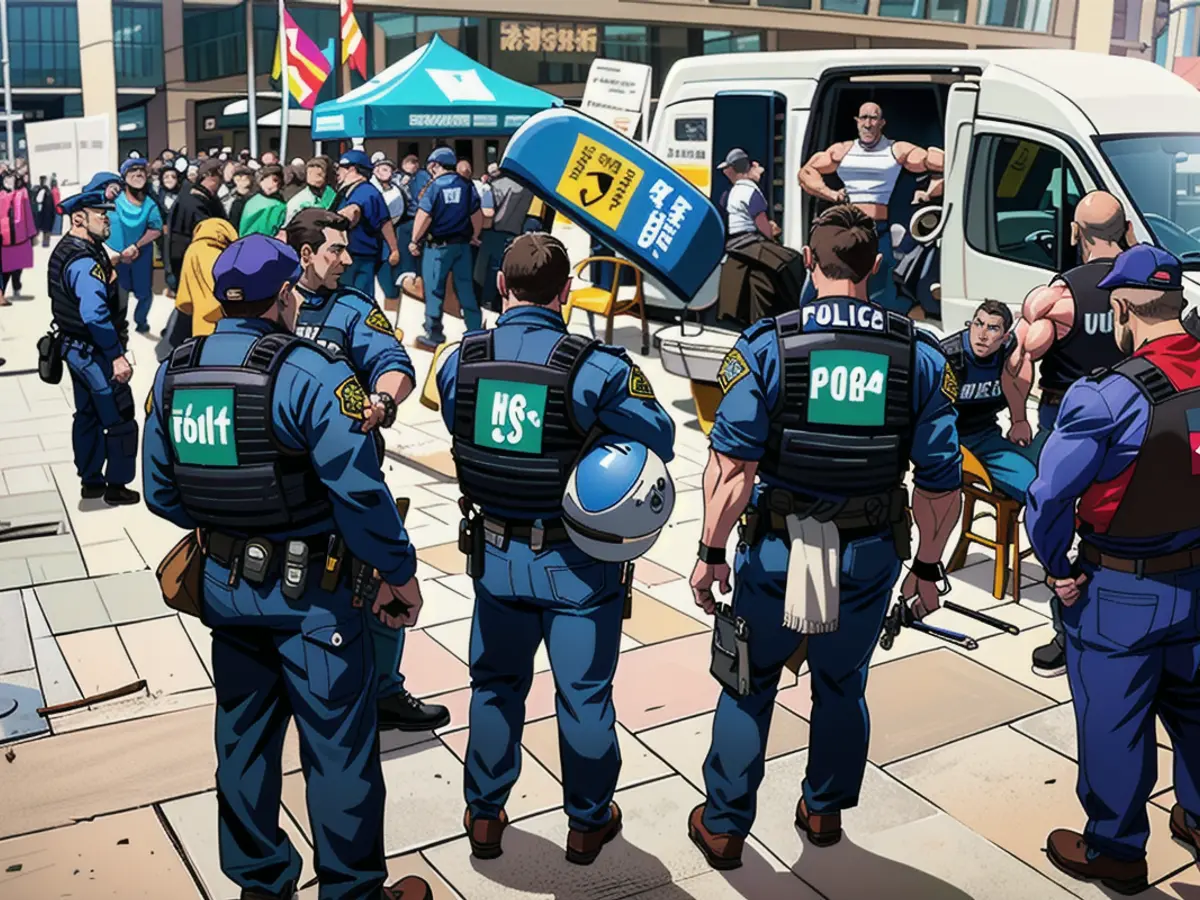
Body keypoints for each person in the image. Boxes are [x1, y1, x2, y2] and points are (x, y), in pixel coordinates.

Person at [141, 234, 432, 900]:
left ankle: (260, 884)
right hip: (315, 598)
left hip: (224, 589)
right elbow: (360, 493)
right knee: (338, 749)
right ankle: (352, 891)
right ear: (283, 298)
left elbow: (160, 493)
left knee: (243, 740)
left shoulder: (175, 370)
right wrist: (399, 572)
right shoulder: (313, 372)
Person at [686, 204, 962, 869]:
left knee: (750, 683)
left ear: (810, 263)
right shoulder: (919, 352)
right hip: (869, 548)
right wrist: (927, 569)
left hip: (788, 545)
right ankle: (824, 809)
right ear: (875, 266)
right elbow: (939, 485)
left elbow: (731, 467)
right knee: (842, 682)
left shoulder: (767, 344)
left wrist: (711, 553)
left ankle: (723, 825)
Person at [436, 232, 676, 864]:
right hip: (576, 562)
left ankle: (485, 815)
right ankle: (587, 822)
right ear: (566, 292)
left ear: (500, 288)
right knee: (584, 695)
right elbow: (662, 434)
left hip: (495, 558)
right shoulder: (593, 366)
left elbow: (458, 423)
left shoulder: (461, 358)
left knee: (494, 687)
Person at [1027, 244, 1200, 897]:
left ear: (1123, 310)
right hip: (1199, 580)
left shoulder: (1104, 396)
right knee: (1196, 709)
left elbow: (1048, 500)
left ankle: (1117, 850)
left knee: (1114, 721)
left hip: (1120, 588)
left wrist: (1055, 566)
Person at [285, 208, 450, 733]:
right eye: (336, 249)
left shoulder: (353, 307)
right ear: (306, 254)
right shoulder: (273, 299)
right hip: (284, 483)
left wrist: (381, 399)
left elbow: (395, 363)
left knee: (378, 573)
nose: (347, 258)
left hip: (348, 476)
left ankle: (384, 693)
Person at [1005, 190, 1133, 678]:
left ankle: (1067, 631)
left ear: (1076, 233)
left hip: (1069, 420)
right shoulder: (1146, 281)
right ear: (1124, 230)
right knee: (1123, 518)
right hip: (1136, 416)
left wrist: (1018, 416)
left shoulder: (1059, 296)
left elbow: (1020, 361)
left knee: (1057, 515)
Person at [798, 102, 944, 314]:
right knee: (824, 280)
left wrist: (929, 192)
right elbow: (805, 173)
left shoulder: (897, 150)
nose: (868, 123)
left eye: (873, 118)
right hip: (844, 228)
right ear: (857, 122)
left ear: (882, 123)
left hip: (877, 230)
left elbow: (943, 163)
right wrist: (831, 194)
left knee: (880, 289)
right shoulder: (842, 151)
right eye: (863, 118)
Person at [49, 188, 140, 507]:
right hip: (96, 352)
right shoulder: (84, 262)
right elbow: (94, 313)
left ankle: (90, 481)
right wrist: (116, 356)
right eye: (100, 214)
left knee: (86, 414)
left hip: (75, 349)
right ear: (78, 218)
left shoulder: (73, 249)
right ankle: (116, 484)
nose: (107, 218)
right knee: (120, 417)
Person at [940, 300, 1036, 504]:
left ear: (1004, 337)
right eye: (978, 324)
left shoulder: (1009, 354)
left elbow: (1030, 326)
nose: (982, 335)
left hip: (986, 437)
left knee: (1035, 485)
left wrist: (1019, 420)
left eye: (992, 328)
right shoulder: (948, 355)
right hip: (949, 441)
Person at [411, 147, 483, 351]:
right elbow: (476, 214)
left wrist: (414, 240)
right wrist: (475, 236)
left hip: (437, 248)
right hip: (462, 247)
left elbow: (424, 216)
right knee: (466, 288)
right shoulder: (467, 185)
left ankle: (434, 334)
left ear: (435, 165)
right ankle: (474, 331)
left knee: (434, 290)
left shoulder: (433, 187)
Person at [107, 158, 164, 334]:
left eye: (141, 170)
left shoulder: (150, 204)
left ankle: (141, 321)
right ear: (124, 177)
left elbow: (156, 229)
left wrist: (136, 246)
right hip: (117, 256)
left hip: (141, 253)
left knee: (144, 293)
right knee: (119, 294)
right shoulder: (114, 200)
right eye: (133, 170)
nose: (138, 173)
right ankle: (117, 326)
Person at [333, 149, 399, 296]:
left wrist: (394, 250)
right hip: (348, 255)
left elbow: (382, 222)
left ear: (352, 169)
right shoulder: (348, 190)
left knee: (357, 298)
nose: (337, 172)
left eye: (340, 168)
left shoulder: (366, 191)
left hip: (359, 256)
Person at [473, 165, 533, 313]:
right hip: (514, 232)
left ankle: (486, 302)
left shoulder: (497, 185)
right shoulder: (527, 187)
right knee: (505, 270)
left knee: (488, 270)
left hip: (494, 232)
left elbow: (488, 212)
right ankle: (501, 302)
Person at [165, 157, 226, 293]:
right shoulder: (194, 201)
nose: (221, 183)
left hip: (191, 263)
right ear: (210, 175)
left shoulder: (206, 198)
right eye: (220, 177)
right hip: (192, 264)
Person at [175, 217, 239, 338]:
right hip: (223, 323)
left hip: (199, 322)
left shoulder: (192, 250)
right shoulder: (218, 255)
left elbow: (184, 300)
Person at [720, 148, 780, 246]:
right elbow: (761, 223)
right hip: (749, 242)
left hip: (732, 242)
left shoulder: (730, 193)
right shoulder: (750, 191)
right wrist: (772, 237)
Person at [371, 158, 406, 310]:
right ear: (375, 170)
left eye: (389, 169)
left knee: (389, 287)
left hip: (387, 239)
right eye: (383, 169)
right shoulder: (369, 188)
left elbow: (397, 214)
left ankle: (391, 320)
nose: (387, 172)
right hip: (368, 240)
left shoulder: (396, 191)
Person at [0, 172, 35, 303]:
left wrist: (31, 233)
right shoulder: (9, 195)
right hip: (11, 237)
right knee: (9, 269)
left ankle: (12, 289)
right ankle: (8, 291)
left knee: (13, 267)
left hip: (14, 237)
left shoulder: (19, 194)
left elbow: (28, 214)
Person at [395, 154, 431, 278]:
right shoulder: (425, 176)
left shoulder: (422, 177)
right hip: (418, 219)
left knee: (410, 256)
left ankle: (411, 280)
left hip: (412, 219)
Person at [238, 165, 288, 238]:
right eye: (274, 180)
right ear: (262, 180)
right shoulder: (249, 200)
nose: (275, 184)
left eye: (278, 182)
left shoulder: (279, 205)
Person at [285, 156, 335, 224]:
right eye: (310, 174)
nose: (315, 178)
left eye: (319, 175)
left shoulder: (333, 195)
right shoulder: (298, 202)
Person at [226, 165, 256, 231]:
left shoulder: (257, 199)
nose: (241, 177)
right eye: (237, 175)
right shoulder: (227, 199)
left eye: (245, 174)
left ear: (252, 177)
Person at [34, 174, 55, 246]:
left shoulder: (45, 191)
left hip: (45, 212)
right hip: (44, 213)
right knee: (45, 228)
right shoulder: (44, 190)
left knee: (45, 228)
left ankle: (45, 243)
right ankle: (44, 243)